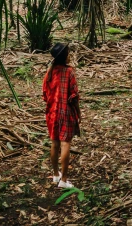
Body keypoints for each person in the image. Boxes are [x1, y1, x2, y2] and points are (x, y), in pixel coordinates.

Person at [42, 42, 80, 189]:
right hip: (66, 111)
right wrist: (78, 112)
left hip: (52, 113)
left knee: (54, 143)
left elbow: (45, 95)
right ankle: (64, 180)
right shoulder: (69, 72)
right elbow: (74, 95)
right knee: (65, 144)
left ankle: (55, 174)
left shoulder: (49, 73)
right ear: (65, 56)